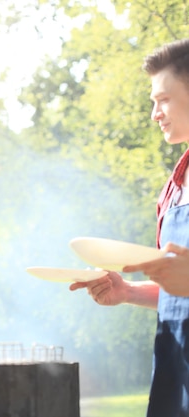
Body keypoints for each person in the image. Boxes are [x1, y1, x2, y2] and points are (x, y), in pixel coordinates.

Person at [70, 38, 189, 417]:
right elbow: (177, 294)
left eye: (164, 99)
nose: (155, 113)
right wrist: (127, 291)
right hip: (174, 379)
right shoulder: (172, 191)